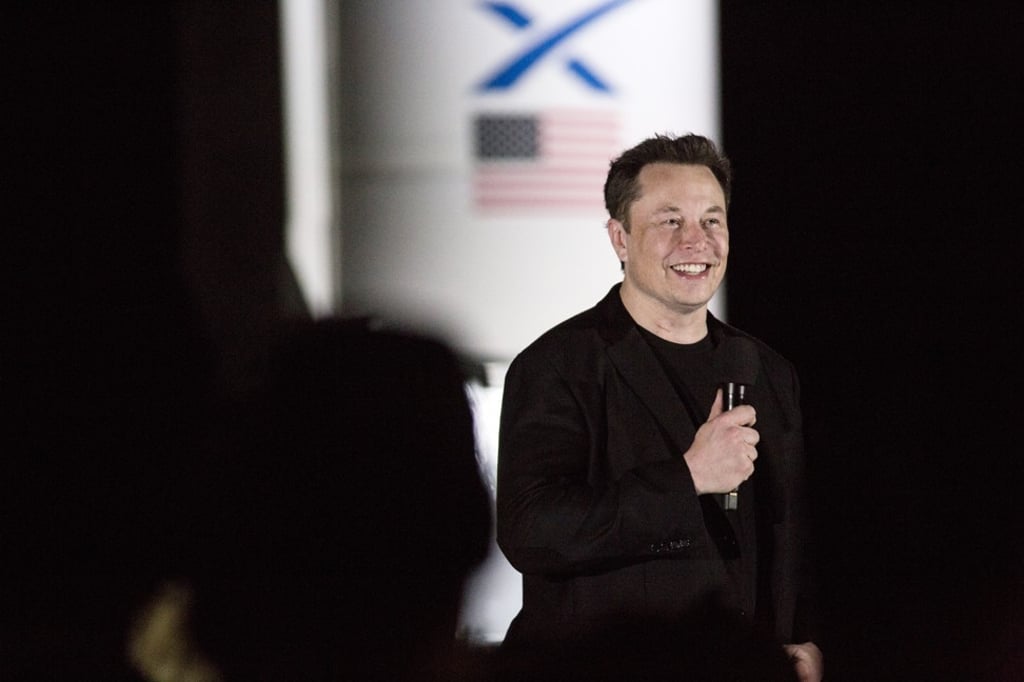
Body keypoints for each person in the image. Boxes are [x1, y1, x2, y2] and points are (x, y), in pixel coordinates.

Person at [495, 134, 823, 681]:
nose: (696, 242)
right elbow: (532, 529)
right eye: (670, 221)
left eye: (712, 221)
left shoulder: (767, 369)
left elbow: (791, 533)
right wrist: (686, 478)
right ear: (620, 238)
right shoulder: (559, 365)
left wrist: (800, 640)